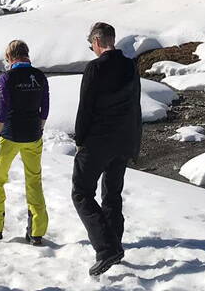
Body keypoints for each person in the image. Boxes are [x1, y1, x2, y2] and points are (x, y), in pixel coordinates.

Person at [72, 21, 142, 277]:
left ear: (98, 42)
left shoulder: (95, 68)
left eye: (91, 43)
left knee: (81, 192)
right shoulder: (129, 66)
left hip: (98, 141)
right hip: (123, 139)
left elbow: (86, 107)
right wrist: (134, 141)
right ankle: (115, 245)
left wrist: (80, 139)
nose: (91, 48)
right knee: (112, 194)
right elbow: (135, 105)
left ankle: (107, 249)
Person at [0, 39, 50, 245]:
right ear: (26, 54)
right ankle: (37, 232)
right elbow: (45, 108)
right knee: (34, 181)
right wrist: (39, 128)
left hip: (9, 136)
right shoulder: (40, 77)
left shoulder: (7, 78)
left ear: (10, 57)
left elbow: (2, 110)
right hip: (33, 136)